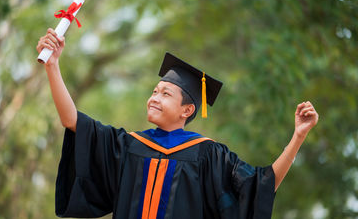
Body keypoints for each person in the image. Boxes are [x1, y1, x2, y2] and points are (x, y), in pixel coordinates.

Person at [36, 28, 319, 219]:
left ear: (187, 109)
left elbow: (262, 184)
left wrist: (298, 137)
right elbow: (72, 120)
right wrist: (53, 66)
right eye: (154, 91)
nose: (154, 98)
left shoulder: (208, 155)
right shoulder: (128, 146)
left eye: (165, 93)